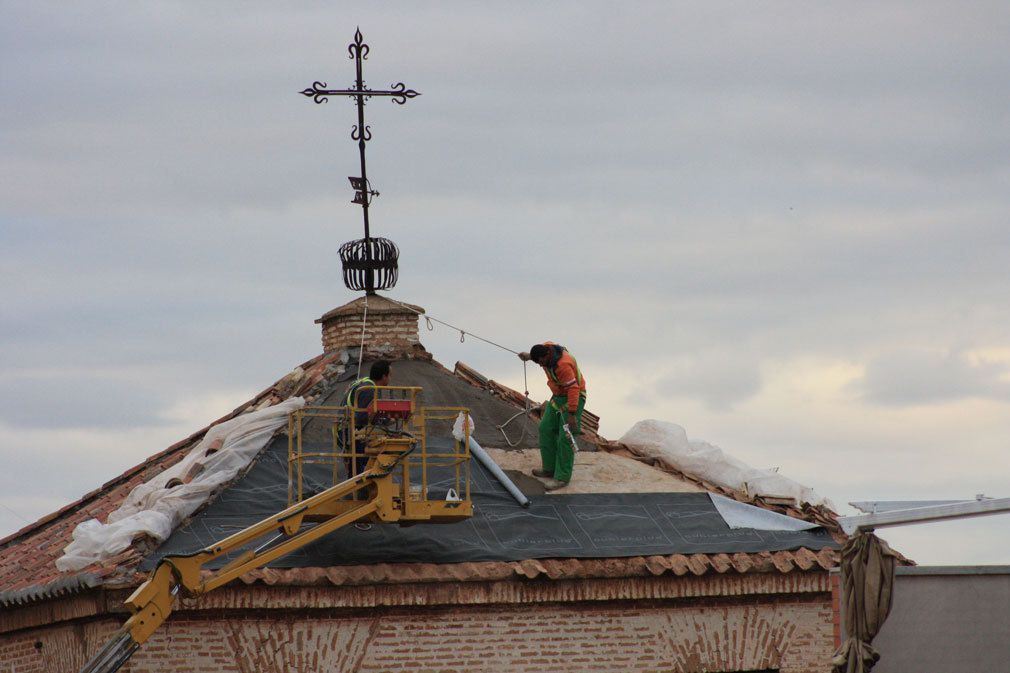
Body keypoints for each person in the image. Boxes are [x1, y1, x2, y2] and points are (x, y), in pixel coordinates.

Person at [518, 342, 587, 490]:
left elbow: (574, 389)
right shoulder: (546, 349)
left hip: (573, 397)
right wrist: (529, 357)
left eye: (541, 362)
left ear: (547, 356)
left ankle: (562, 478)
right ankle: (549, 468)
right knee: (545, 428)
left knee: (565, 437)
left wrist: (572, 414)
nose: (540, 365)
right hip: (558, 397)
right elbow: (538, 354)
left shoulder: (563, 366)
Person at [342, 360, 392, 479]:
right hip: (354, 433)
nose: (390, 379)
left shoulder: (363, 383)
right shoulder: (369, 389)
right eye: (390, 375)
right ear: (384, 376)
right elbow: (362, 417)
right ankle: (360, 492)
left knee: (357, 467)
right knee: (359, 470)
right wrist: (384, 421)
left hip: (347, 430)